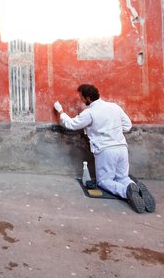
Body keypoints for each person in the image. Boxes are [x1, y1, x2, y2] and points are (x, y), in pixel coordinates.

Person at [53, 84, 155, 213]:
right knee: (122, 177)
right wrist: (114, 131)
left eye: (81, 97)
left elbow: (71, 124)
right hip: (121, 147)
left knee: (104, 181)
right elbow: (128, 125)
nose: (81, 100)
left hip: (105, 150)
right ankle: (135, 187)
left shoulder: (89, 113)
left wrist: (60, 111)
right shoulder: (114, 107)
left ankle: (127, 191)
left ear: (88, 98)